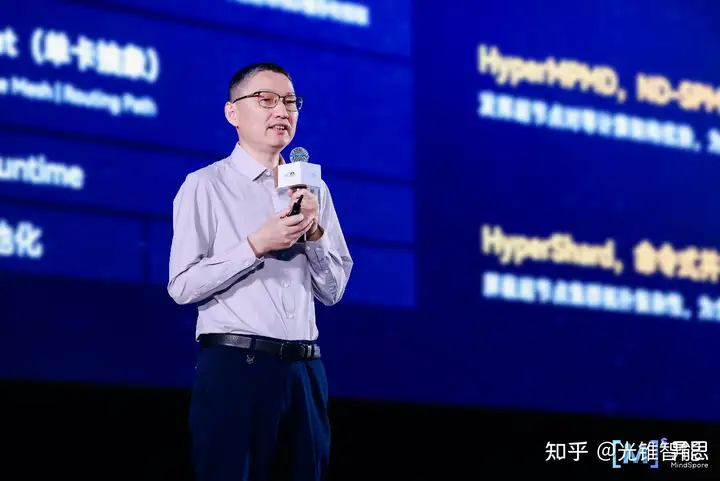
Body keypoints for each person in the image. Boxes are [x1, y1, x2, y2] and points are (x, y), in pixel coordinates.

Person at [167, 62, 353, 481]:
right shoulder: (206, 184)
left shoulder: (313, 189)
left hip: (305, 369)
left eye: (290, 102)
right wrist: (255, 245)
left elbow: (333, 289)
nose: (281, 111)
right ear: (232, 112)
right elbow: (182, 285)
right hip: (238, 364)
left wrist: (315, 233)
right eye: (266, 100)